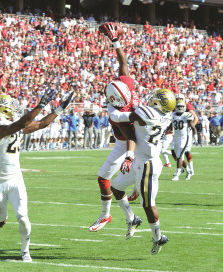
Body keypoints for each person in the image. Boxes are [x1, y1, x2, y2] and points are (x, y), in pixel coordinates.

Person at [0, 90, 73, 262]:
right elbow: (16, 126)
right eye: (11, 106)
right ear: (2, 109)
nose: (14, 108)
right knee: (0, 222)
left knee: (23, 218)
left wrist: (61, 108)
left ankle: (25, 251)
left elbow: (41, 124)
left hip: (16, 178)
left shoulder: (13, 123)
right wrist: (40, 105)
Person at [109, 88, 176, 254]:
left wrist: (110, 102)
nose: (151, 98)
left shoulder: (148, 113)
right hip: (140, 159)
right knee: (116, 188)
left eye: (156, 97)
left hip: (148, 164)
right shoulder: (166, 115)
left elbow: (116, 117)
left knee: (148, 205)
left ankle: (158, 237)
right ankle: (132, 219)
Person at [89, 22, 140, 232]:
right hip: (129, 139)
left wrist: (129, 156)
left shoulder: (116, 112)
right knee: (105, 180)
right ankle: (124, 217)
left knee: (112, 182)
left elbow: (131, 136)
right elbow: (124, 64)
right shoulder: (126, 87)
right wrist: (115, 41)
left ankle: (107, 214)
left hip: (132, 143)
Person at [171, 101, 198, 181]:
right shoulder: (172, 115)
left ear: (184, 107)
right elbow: (169, 126)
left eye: (181, 106)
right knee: (179, 156)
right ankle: (189, 170)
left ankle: (177, 174)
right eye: (178, 106)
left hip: (184, 138)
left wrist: (195, 135)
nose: (180, 108)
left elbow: (193, 126)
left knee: (179, 155)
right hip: (176, 137)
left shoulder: (187, 115)